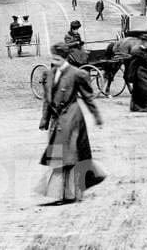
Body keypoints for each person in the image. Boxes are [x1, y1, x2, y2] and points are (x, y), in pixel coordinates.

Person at [37, 43, 105, 204]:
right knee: (59, 155)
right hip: (57, 119)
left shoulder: (76, 74)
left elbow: (88, 97)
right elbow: (47, 99)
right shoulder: (50, 74)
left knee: (69, 155)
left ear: (65, 58)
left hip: (71, 117)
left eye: (58, 58)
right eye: (53, 58)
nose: (55, 61)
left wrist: (97, 117)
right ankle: (65, 193)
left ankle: (70, 194)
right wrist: (44, 119)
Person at [124, 34, 147, 112]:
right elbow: (132, 65)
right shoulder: (137, 52)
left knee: (138, 92)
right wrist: (130, 77)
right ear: (143, 42)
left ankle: (139, 106)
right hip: (139, 74)